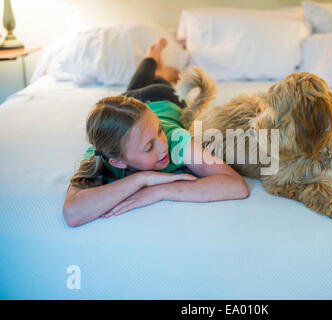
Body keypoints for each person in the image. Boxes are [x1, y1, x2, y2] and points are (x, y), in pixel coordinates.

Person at [63, 38, 249, 227]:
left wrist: (160, 191)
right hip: (128, 110)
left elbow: (237, 186)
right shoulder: (101, 155)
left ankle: (153, 59)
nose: (163, 146)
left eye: (159, 131)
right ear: (117, 161)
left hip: (161, 97)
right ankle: (156, 63)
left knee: (152, 83)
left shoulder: (175, 140)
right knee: (134, 87)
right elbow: (73, 213)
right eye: (149, 146)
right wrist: (141, 178)